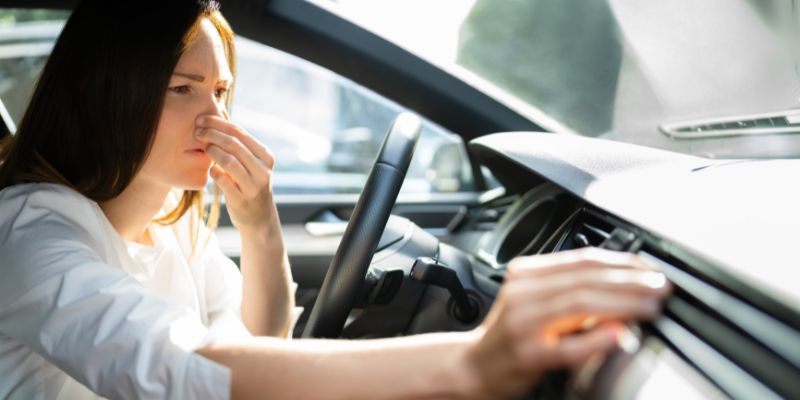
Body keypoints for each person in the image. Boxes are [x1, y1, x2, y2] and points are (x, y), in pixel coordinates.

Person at [0, 0, 670, 399]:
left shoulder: (172, 225)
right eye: (183, 89)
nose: (216, 117)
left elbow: (263, 347)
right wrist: (471, 360)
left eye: (221, 92)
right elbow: (180, 367)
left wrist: (259, 223)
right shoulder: (31, 232)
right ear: (103, 94)